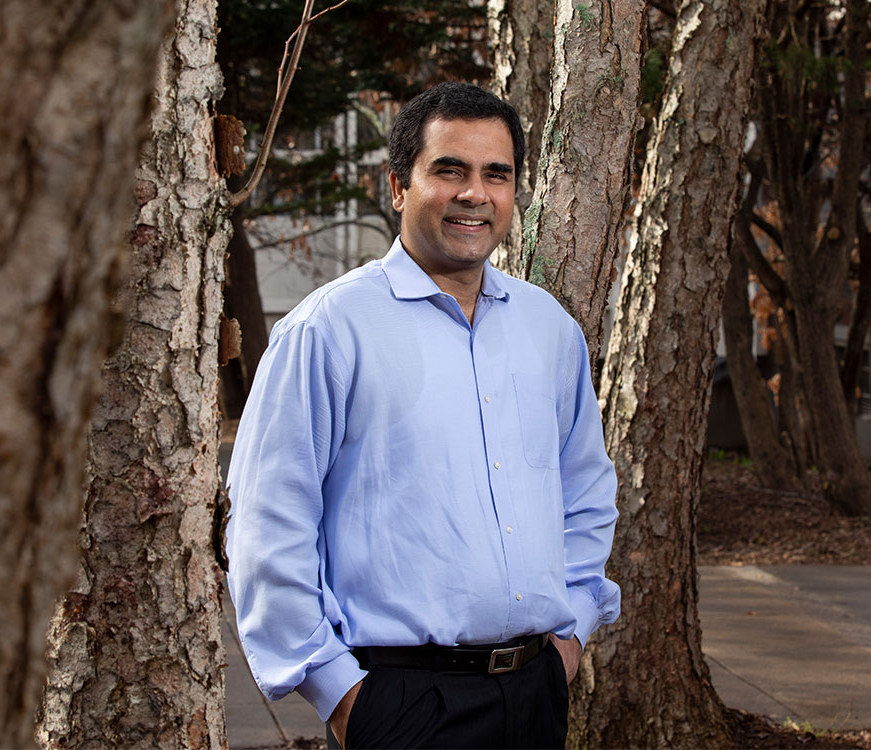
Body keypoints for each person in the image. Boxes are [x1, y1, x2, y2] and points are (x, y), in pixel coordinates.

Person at [224, 81, 620, 749]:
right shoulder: (328, 332)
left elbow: (584, 492)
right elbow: (268, 527)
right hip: (401, 704)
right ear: (398, 186)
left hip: (535, 693)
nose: (475, 194)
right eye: (449, 170)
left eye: (497, 174)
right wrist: (340, 693)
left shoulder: (549, 330)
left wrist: (571, 634)